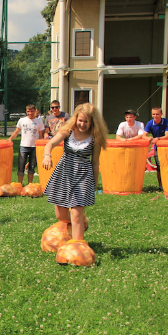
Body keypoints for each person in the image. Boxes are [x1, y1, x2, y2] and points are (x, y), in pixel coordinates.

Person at [42, 103, 108, 241]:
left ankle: (78, 248)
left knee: (75, 215)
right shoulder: (68, 131)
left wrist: (94, 184)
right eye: (80, 120)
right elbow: (50, 144)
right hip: (64, 172)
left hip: (83, 175)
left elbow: (95, 163)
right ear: (75, 118)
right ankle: (80, 221)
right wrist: (47, 156)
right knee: (60, 215)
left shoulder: (95, 138)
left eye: (86, 121)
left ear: (92, 122)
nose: (82, 124)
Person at [8, 104, 45, 185]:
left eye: (31, 111)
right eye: (28, 111)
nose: (30, 113)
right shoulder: (22, 120)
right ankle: (19, 184)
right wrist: (10, 138)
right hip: (24, 146)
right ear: (26, 111)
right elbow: (16, 131)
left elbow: (41, 135)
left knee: (32, 167)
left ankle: (30, 184)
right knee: (21, 166)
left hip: (34, 147)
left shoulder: (39, 122)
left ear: (35, 111)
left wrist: (41, 145)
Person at [143, 107, 168, 191]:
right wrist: (147, 138)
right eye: (153, 114)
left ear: (161, 114)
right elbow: (144, 135)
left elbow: (167, 136)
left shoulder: (166, 122)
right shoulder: (150, 123)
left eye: (157, 114)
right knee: (159, 166)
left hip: (167, 146)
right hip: (157, 147)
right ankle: (160, 186)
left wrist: (158, 138)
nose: (155, 116)